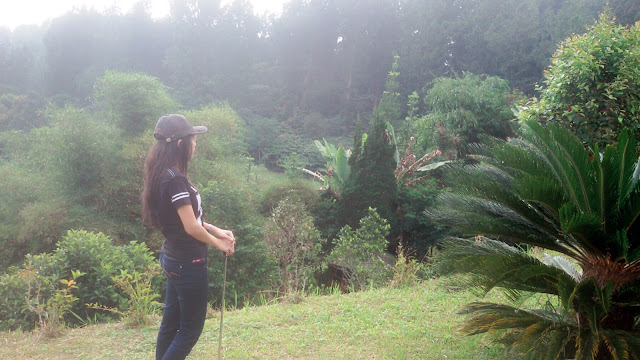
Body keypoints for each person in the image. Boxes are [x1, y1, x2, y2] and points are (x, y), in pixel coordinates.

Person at [141, 114, 235, 360]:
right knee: (189, 331)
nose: (196, 145)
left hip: (171, 258)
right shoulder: (176, 180)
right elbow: (191, 228)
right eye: (193, 139)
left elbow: (189, 220)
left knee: (170, 325)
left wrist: (216, 230)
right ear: (181, 144)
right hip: (188, 263)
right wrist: (219, 244)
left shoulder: (162, 174)